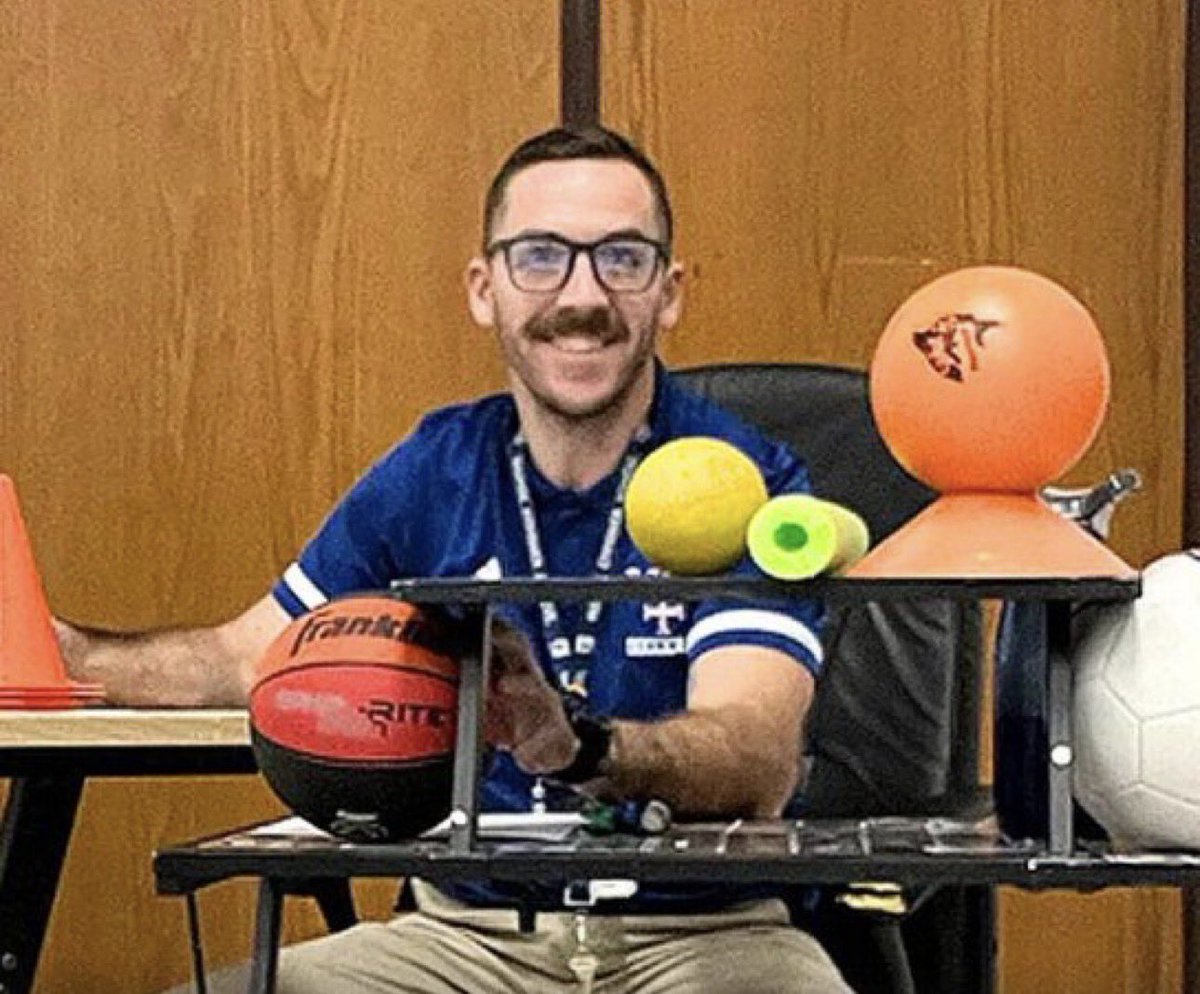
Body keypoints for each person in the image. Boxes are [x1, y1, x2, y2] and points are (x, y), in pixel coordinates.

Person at [56, 125, 852, 994]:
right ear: (485, 289)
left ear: (670, 292)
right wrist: (68, 654)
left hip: (706, 934)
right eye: (540, 256)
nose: (581, 296)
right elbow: (249, 658)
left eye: (621, 259)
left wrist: (578, 747)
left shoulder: (753, 479)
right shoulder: (436, 467)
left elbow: (755, 755)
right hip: (468, 939)